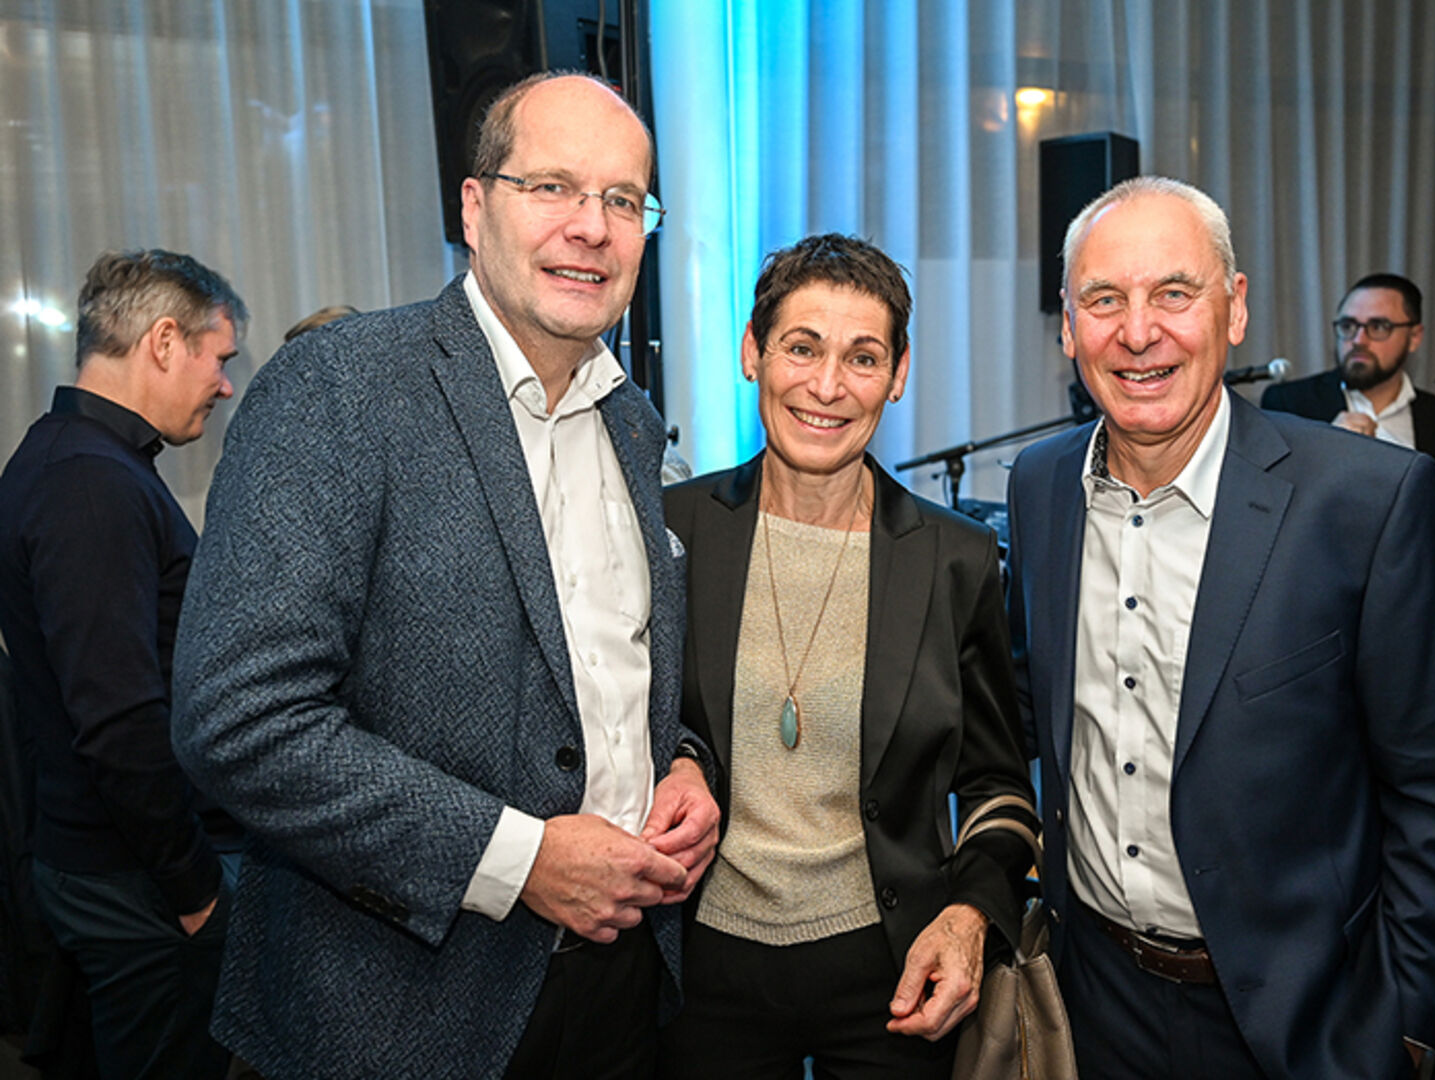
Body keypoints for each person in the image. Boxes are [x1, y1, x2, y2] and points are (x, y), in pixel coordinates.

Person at [171, 73, 719, 1080]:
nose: (589, 227)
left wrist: (679, 764)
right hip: (398, 1013)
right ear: (474, 208)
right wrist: (519, 862)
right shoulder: (341, 386)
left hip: (620, 988)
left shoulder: (631, 424)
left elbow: (604, 670)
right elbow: (240, 719)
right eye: (551, 186)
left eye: (619, 200)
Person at [1006, 177, 1435, 1079]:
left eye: (1174, 293)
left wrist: (1410, 1024)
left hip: (1305, 1022)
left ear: (1234, 309)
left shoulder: (1369, 501)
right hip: (1093, 999)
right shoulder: (1040, 487)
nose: (1139, 331)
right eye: (1104, 300)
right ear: (1068, 328)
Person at [658, 234, 1037, 1078]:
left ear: (897, 375)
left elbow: (999, 782)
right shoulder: (673, 531)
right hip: (701, 964)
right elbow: (617, 722)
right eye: (801, 347)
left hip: (893, 975)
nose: (827, 386)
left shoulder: (955, 558)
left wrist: (971, 915)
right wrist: (677, 761)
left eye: (862, 357)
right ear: (752, 354)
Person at [0, 249, 247, 1079]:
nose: (224, 386)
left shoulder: (79, 460)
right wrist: (195, 890)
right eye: (220, 358)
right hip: (136, 877)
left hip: (112, 864)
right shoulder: (88, 481)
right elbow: (117, 718)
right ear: (165, 341)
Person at [1261, 273, 1435, 545]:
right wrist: (1326, 453)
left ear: (1414, 337)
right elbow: (1263, 510)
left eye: (1378, 327)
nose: (1358, 340)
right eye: (1348, 325)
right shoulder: (1291, 404)